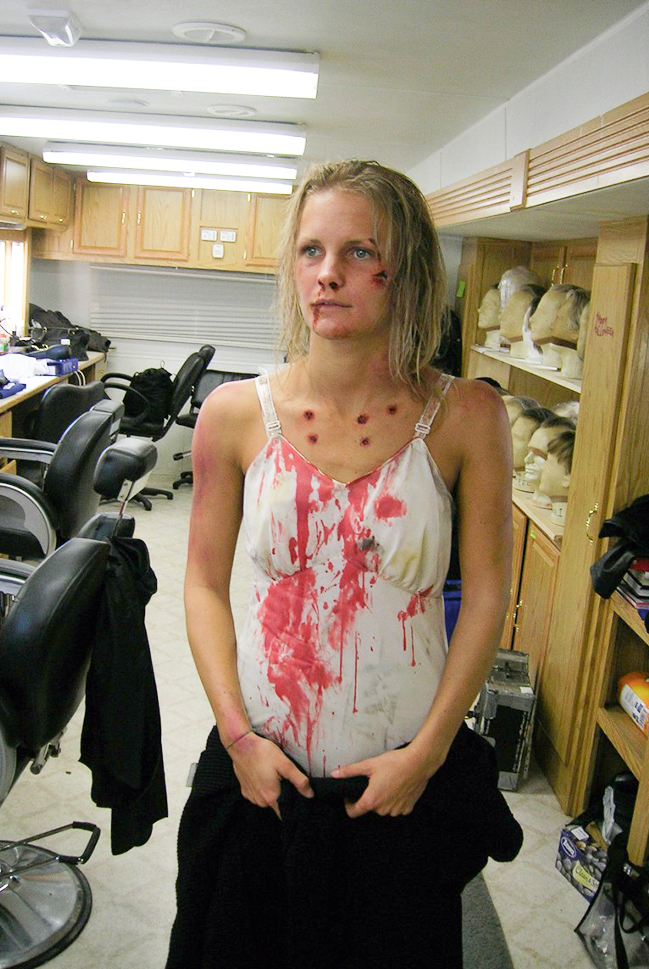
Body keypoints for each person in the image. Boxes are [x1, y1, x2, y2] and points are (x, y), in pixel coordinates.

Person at [166, 159, 521, 969]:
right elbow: (202, 585)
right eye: (311, 251)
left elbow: (486, 594)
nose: (327, 274)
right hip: (264, 776)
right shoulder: (233, 414)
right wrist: (236, 737)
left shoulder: (466, 416)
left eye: (360, 252)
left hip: (397, 786)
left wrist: (428, 754)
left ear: (408, 271)